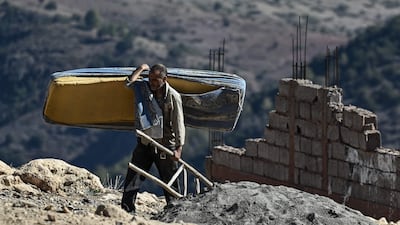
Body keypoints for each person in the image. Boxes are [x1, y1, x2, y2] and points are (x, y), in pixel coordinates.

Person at [121, 63, 185, 213]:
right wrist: (141, 69)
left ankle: (174, 211)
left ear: (165, 79)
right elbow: (129, 82)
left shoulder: (172, 96)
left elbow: (178, 123)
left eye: (156, 80)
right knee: (134, 176)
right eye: (150, 79)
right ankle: (126, 210)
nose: (152, 83)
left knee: (170, 180)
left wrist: (178, 148)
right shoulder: (144, 89)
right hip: (145, 142)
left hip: (164, 144)